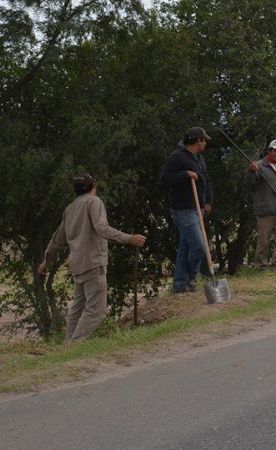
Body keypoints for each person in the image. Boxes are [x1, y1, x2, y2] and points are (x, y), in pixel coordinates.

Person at [38, 174, 146, 342]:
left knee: (78, 308)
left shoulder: (70, 208)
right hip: (93, 262)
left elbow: (57, 239)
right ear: (93, 186)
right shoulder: (94, 202)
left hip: (77, 264)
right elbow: (102, 228)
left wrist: (46, 261)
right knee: (96, 311)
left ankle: (68, 346)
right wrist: (129, 238)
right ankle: (74, 345)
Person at [159, 127, 214, 293]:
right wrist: (184, 174)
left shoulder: (199, 158)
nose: (205, 143)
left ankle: (179, 285)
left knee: (185, 248)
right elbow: (164, 179)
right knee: (198, 246)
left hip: (198, 208)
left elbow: (206, 180)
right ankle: (191, 278)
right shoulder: (177, 157)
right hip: (183, 210)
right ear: (198, 141)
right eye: (204, 140)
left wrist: (208, 201)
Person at [245, 139, 276, 267]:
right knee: (263, 240)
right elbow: (249, 185)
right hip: (265, 210)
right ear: (269, 151)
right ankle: (260, 265)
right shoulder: (258, 166)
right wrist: (251, 171)